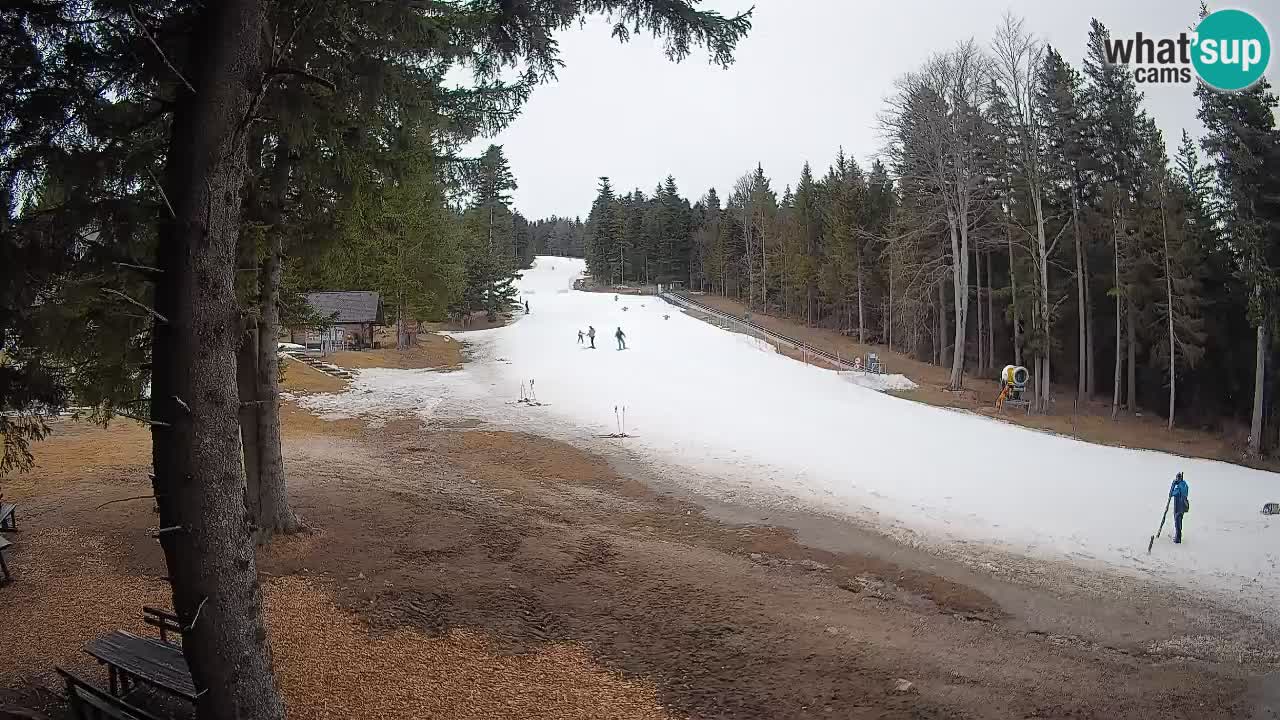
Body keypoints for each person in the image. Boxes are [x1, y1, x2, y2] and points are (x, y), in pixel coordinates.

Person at [1170, 472, 1190, 544]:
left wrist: (1173, 485)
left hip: (1178, 507)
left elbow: (1171, 494)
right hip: (1183, 506)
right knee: (1180, 522)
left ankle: (1178, 539)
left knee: (1177, 523)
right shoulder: (1185, 485)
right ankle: (1178, 537)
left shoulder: (1178, 489)